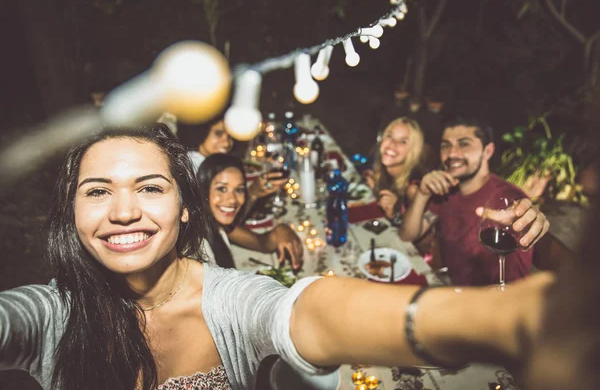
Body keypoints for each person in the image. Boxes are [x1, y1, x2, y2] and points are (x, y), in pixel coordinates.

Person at [0, 123, 574, 390]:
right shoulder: (48, 315)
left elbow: (307, 310)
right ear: (71, 213)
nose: (123, 211)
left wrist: (501, 317)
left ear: (183, 210)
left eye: (150, 187)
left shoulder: (229, 299)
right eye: (98, 191)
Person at [399, 114, 550, 286]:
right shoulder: (447, 192)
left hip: (498, 304)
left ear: (488, 151)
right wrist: (423, 193)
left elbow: (525, 214)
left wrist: (531, 218)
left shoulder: (507, 197)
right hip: (456, 293)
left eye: (464, 144)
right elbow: (407, 236)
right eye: (446, 146)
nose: (452, 153)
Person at [196, 153, 303, 270]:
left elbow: (263, 243)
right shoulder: (199, 248)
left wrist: (280, 230)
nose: (232, 199)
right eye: (222, 188)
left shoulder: (214, 224)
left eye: (239, 189)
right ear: (203, 190)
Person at [177, 113, 287, 214]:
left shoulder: (207, 160)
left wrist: (254, 192)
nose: (226, 143)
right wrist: (253, 192)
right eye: (218, 134)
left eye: (230, 136)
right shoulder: (195, 168)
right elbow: (221, 219)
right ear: (200, 132)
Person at [363, 117, 426, 223]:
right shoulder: (384, 167)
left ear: (413, 150)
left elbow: (417, 237)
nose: (392, 144)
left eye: (403, 142)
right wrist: (374, 189)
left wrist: (394, 215)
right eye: (390, 136)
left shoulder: (414, 188)